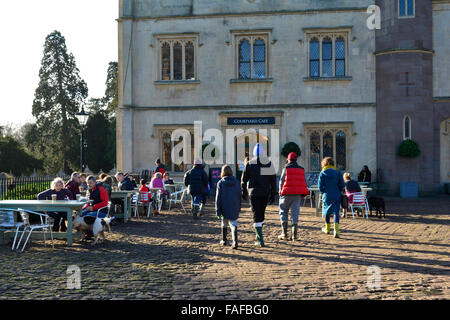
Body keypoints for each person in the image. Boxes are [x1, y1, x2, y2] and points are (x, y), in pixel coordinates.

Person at [241, 144, 277, 247]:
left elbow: (243, 180)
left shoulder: (250, 164)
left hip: (254, 193)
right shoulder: (268, 163)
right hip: (264, 192)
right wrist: (273, 194)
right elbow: (273, 181)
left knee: (256, 214)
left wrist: (243, 192)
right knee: (261, 213)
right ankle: (259, 237)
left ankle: (260, 240)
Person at [278, 152, 309, 241]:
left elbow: (281, 181)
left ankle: (284, 233)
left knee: (283, 212)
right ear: (296, 160)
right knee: (294, 214)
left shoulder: (286, 168)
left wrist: (280, 191)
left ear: (288, 159)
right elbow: (304, 182)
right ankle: (294, 235)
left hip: (286, 194)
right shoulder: (301, 169)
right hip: (297, 195)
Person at [318, 157, 345, 238]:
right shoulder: (338, 172)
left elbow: (320, 187)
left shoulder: (322, 173)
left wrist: (323, 191)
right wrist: (339, 190)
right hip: (336, 194)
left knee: (326, 211)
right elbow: (343, 184)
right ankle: (336, 231)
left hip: (327, 194)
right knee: (336, 212)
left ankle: (327, 228)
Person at [215, 165, 241, 249]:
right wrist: (239, 206)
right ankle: (235, 241)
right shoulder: (237, 182)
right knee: (233, 224)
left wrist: (218, 211)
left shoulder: (221, 183)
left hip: (224, 206)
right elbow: (239, 195)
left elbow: (218, 198)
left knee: (224, 223)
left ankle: (224, 240)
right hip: (234, 205)